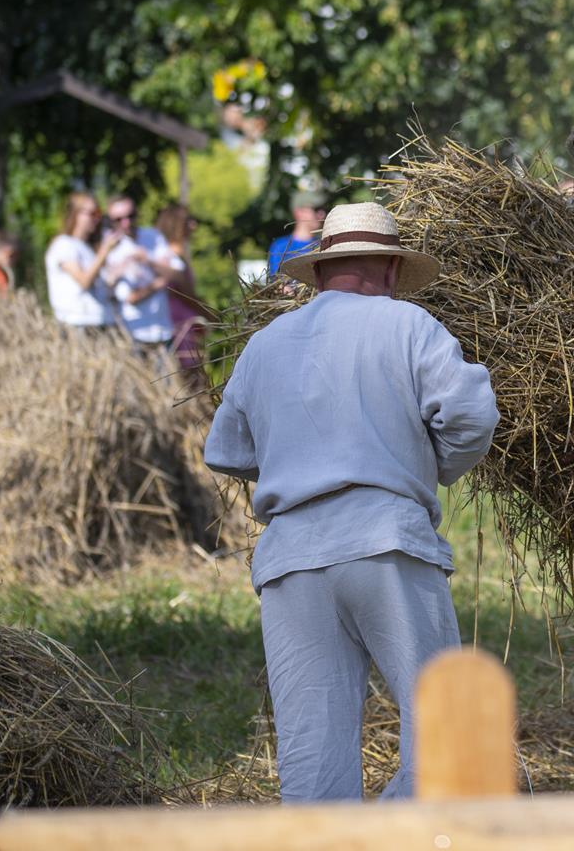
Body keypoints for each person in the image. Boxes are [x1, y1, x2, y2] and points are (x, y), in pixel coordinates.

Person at [204, 201, 499, 801]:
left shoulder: (264, 345)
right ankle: (390, 836)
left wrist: (294, 460)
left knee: (312, 759)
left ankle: (338, 838)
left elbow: (226, 449)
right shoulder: (409, 325)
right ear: (390, 269)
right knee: (446, 736)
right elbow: (471, 416)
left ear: (318, 271)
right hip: (386, 538)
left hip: (292, 557)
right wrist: (428, 465)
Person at [102, 195, 178, 356]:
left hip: (163, 329)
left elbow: (175, 275)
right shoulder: (111, 248)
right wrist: (157, 283)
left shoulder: (153, 236)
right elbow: (130, 298)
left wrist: (148, 260)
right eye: (118, 219)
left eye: (131, 216)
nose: (126, 223)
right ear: (110, 221)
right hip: (133, 332)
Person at [45, 192, 118, 329]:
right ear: (75, 214)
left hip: (99, 321)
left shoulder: (87, 248)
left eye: (98, 213)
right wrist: (104, 251)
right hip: (78, 322)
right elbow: (84, 281)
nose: (97, 218)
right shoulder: (63, 244)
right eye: (92, 213)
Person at [155, 203, 208, 385]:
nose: (193, 225)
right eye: (188, 221)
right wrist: (210, 315)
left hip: (181, 322)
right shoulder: (172, 257)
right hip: (180, 324)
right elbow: (187, 294)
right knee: (190, 379)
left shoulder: (170, 254)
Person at [266, 190, 326, 277]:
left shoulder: (323, 245)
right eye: (316, 209)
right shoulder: (281, 247)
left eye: (323, 209)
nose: (322, 214)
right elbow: (276, 279)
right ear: (299, 212)